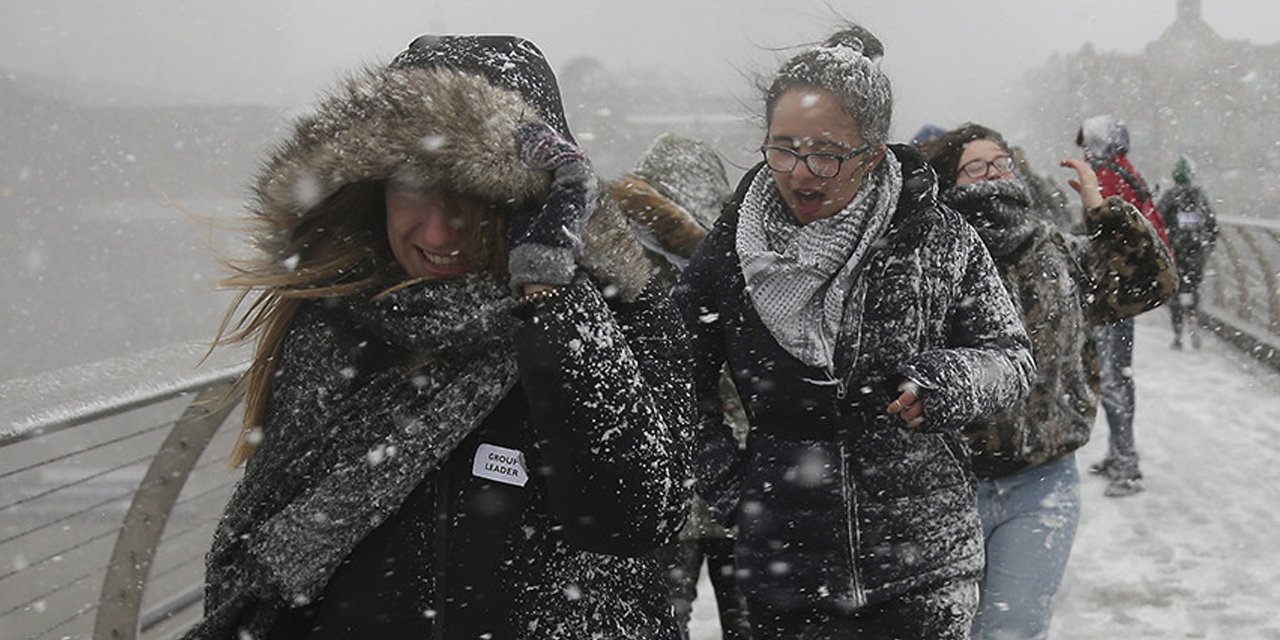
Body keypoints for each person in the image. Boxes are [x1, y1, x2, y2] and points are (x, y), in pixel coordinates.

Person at [184, 34, 694, 640]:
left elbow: (633, 516)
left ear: (533, 197)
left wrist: (549, 291)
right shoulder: (335, 321)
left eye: (475, 194)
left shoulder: (625, 318)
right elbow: (272, 550)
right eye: (414, 184)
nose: (439, 229)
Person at [672, 25, 1036, 639]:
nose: (801, 172)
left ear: (871, 153)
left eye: (828, 153)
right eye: (782, 148)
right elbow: (674, 371)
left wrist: (949, 381)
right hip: (782, 564)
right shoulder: (732, 249)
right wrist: (732, 488)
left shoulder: (934, 235)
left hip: (924, 560)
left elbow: (1011, 358)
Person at [924, 123, 1176, 639]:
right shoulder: (930, 262)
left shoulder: (1056, 252)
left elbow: (1152, 282)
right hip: (948, 482)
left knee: (1011, 632)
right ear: (950, 182)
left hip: (1041, 482)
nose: (993, 174)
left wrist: (1103, 211)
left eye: (1001, 162)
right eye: (976, 167)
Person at [610, 133, 752, 640]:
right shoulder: (735, 261)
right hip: (727, 472)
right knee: (748, 620)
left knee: (657, 621)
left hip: (662, 481)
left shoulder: (612, 259)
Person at [1076, 114, 1170, 497]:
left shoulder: (1109, 177)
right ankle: (1119, 455)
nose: (1083, 150)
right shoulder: (1127, 171)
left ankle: (1127, 465)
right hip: (1124, 291)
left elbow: (1109, 237)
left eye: (1088, 141)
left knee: (1113, 377)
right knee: (1118, 374)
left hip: (1113, 294)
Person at [1158, 153, 1220, 349]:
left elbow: (1158, 223)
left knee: (1176, 291)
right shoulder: (1199, 197)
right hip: (1196, 253)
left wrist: (1166, 248)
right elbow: (1212, 226)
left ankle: (1177, 335)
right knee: (1192, 288)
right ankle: (1193, 319)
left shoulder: (1169, 197)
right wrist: (1206, 248)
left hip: (1175, 253)